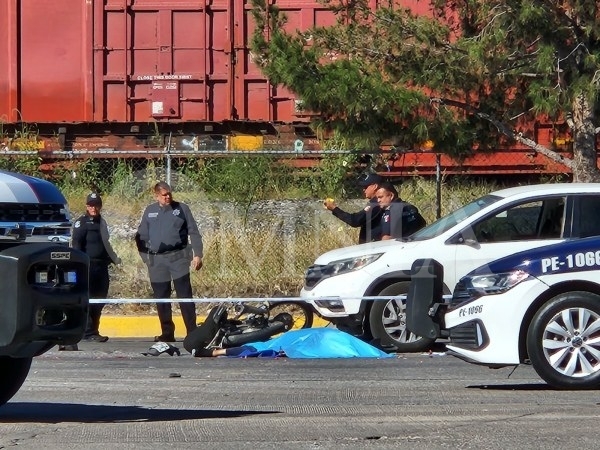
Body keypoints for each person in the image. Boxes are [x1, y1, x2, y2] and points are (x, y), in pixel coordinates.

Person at [135, 181, 203, 342]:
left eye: (169, 194)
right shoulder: (150, 211)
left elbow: (194, 232)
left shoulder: (182, 209)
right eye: (164, 195)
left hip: (178, 258)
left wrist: (198, 254)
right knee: (162, 297)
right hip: (157, 261)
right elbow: (140, 236)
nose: (168, 197)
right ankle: (167, 332)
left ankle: (192, 333)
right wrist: (146, 257)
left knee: (184, 295)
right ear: (156, 195)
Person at [63, 192, 121, 350]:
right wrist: (79, 263)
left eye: (95, 205)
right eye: (90, 205)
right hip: (87, 266)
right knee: (88, 299)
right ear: (86, 206)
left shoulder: (102, 222)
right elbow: (76, 244)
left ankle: (94, 329)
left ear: (100, 206)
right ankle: (87, 331)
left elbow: (106, 243)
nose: (93, 208)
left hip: (101, 266)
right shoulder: (81, 223)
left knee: (100, 298)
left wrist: (115, 258)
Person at [323, 172, 384, 243]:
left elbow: (355, 220)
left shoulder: (377, 203)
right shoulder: (374, 202)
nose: (363, 190)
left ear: (375, 186)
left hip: (374, 247)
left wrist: (334, 208)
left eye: (365, 187)